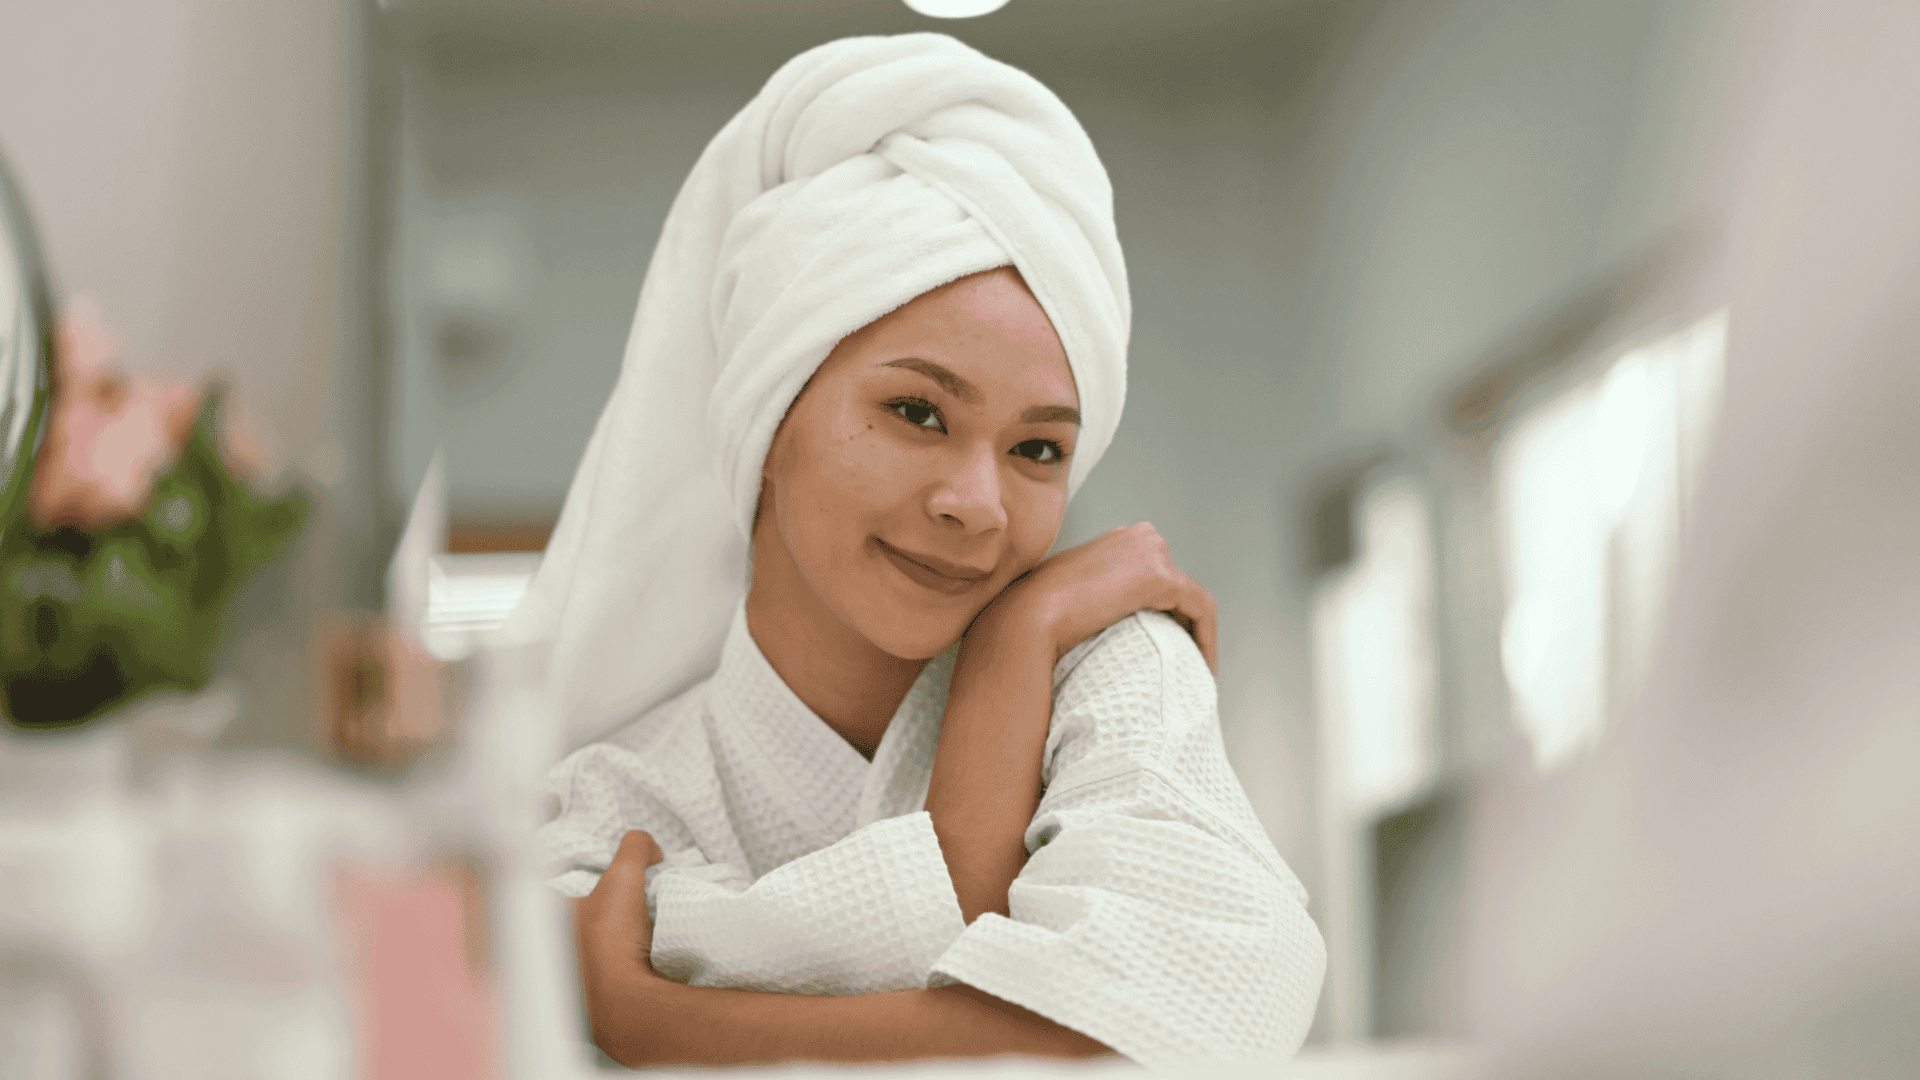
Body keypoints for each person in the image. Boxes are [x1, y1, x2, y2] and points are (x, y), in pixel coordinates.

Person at [524, 34, 1325, 1068]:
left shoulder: (1111, 674)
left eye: (1038, 448)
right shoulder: (605, 805)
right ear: (769, 421)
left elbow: (1212, 1006)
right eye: (917, 412)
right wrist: (986, 762)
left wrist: (658, 1019)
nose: (978, 504)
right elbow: (1096, 1036)